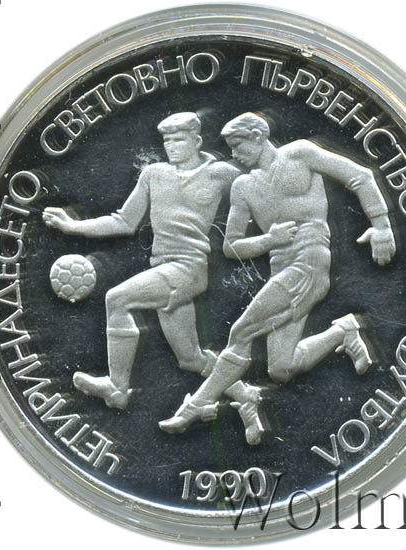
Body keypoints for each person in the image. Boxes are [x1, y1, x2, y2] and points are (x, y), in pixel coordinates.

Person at [159, 112, 396, 441]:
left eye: (238, 146)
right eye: (230, 149)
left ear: (258, 136)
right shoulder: (243, 186)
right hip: (282, 271)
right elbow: (231, 246)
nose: (235, 155)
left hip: (309, 262)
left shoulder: (299, 154)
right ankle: (342, 332)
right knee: (281, 368)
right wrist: (269, 240)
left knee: (241, 332)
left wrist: (381, 225)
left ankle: (197, 405)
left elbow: (360, 176)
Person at [42, 112, 264, 442]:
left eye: (179, 139)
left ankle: (117, 388)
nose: (172, 146)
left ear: (197, 141)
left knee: (117, 299)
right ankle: (246, 398)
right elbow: (123, 221)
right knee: (191, 358)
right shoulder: (154, 174)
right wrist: (73, 226)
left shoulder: (221, 173)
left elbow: (263, 185)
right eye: (167, 141)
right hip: (164, 267)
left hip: (188, 269)